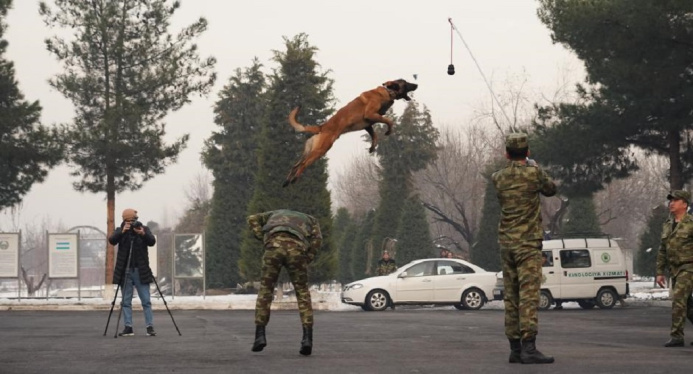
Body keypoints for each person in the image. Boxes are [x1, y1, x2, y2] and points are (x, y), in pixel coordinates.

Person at [492, 133, 557, 364]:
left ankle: (515, 348)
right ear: (527, 152)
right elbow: (551, 189)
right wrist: (535, 167)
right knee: (528, 297)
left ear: (506, 154)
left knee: (511, 296)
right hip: (528, 244)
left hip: (507, 243)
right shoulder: (534, 174)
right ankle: (529, 348)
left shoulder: (498, 178)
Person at [248, 209, 322, 356]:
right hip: (297, 250)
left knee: (266, 291)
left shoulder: (271, 214)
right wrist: (308, 257)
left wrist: (262, 237)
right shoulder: (311, 219)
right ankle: (307, 339)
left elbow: (251, 219)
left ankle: (259, 336)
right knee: (302, 293)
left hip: (273, 247)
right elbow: (317, 240)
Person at [109, 208, 157, 337]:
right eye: (129, 221)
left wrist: (142, 234)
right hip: (125, 271)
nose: (132, 223)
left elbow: (152, 241)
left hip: (141, 270)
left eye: (133, 220)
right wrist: (123, 232)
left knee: (146, 300)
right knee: (126, 301)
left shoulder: (143, 228)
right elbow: (112, 240)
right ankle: (128, 327)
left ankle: (149, 326)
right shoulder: (120, 230)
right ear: (124, 220)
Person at [656, 190, 693, 347]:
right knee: (688, 305)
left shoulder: (691, 223)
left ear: (684, 204)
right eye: (670, 200)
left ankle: (677, 336)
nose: (671, 203)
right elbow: (662, 249)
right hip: (674, 269)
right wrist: (659, 272)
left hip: (689, 267)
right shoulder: (667, 224)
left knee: (678, 299)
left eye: (675, 200)